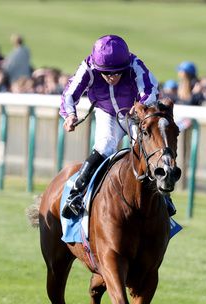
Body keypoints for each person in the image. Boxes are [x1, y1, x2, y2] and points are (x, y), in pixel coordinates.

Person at [59, 34, 161, 219]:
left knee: (144, 148)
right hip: (107, 114)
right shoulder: (88, 68)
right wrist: (70, 115)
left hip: (133, 114)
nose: (112, 77)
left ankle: (163, 199)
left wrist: (141, 106)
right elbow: (69, 93)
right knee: (105, 145)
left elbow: (150, 89)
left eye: (117, 72)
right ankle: (76, 193)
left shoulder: (134, 64)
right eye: (106, 73)